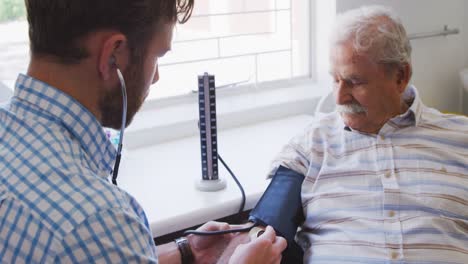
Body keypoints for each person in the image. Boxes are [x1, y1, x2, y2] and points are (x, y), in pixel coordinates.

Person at [0, 0, 286, 263]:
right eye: (157, 56)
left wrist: (185, 251)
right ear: (113, 55)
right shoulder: (97, 221)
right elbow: (92, 242)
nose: (157, 76)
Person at [261, 5, 468, 263]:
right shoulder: (312, 143)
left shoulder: (461, 139)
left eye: (354, 81)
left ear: (400, 77)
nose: (339, 96)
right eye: (335, 79)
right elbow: (267, 224)